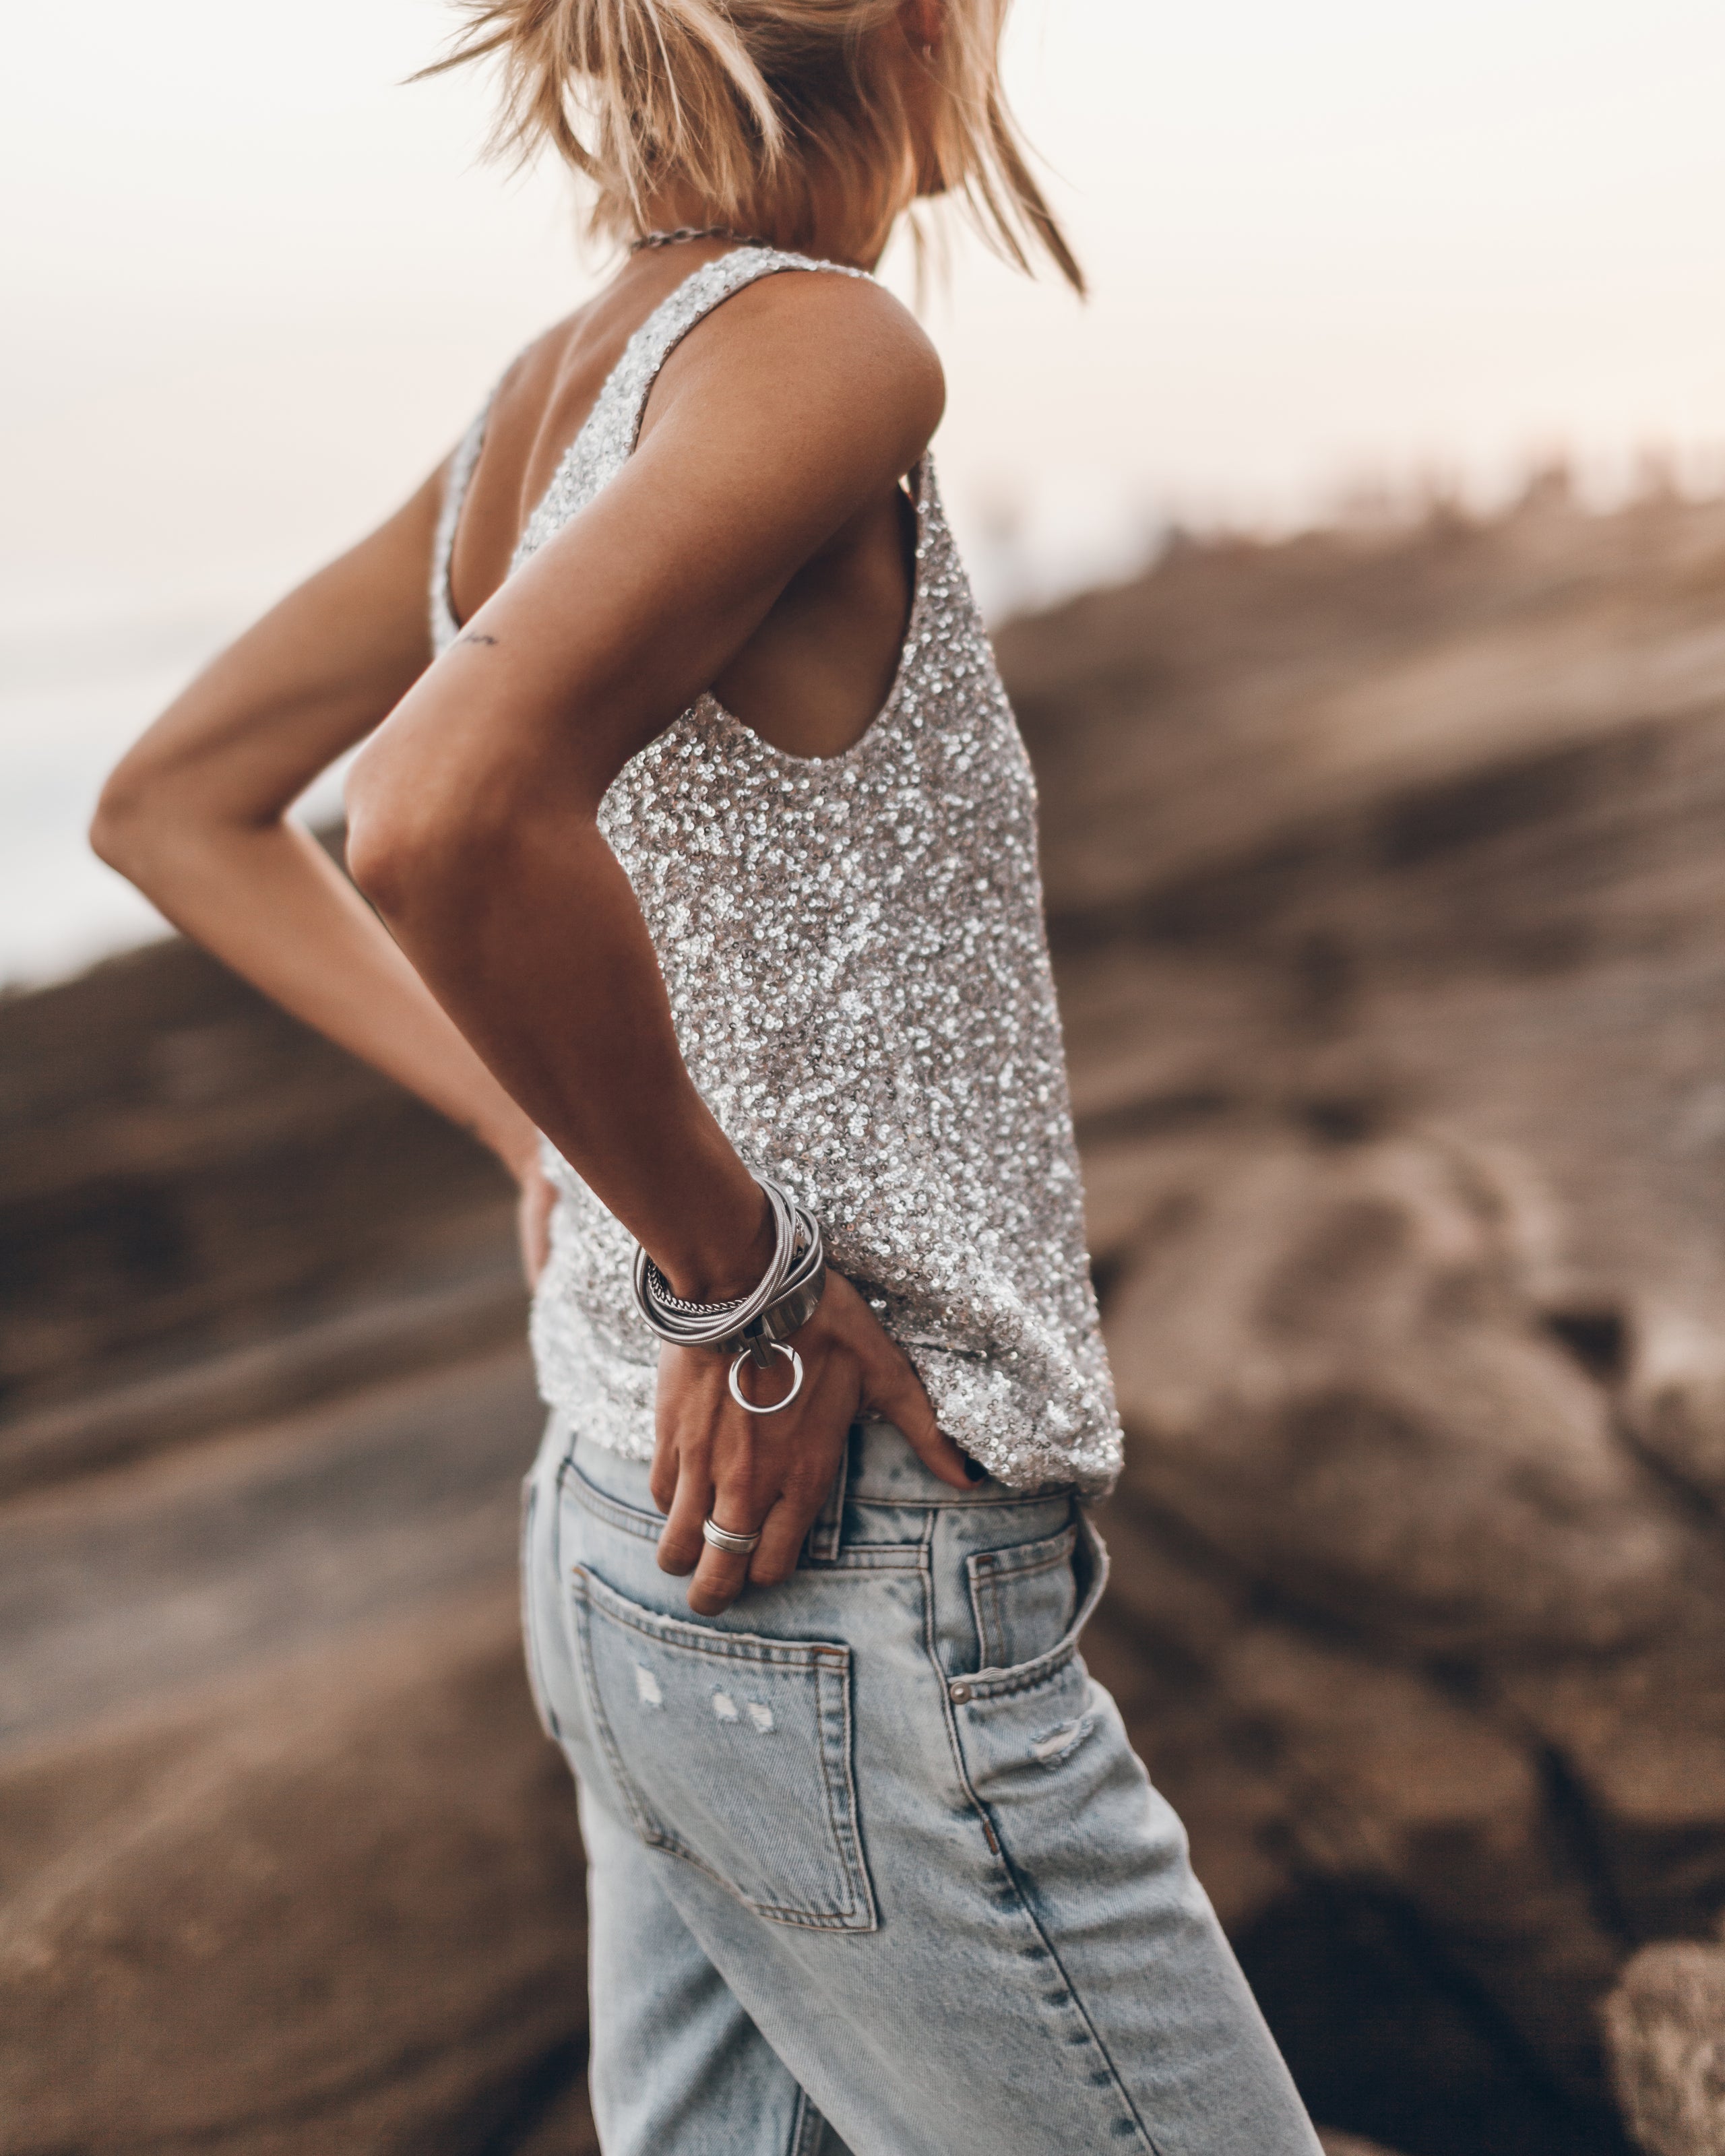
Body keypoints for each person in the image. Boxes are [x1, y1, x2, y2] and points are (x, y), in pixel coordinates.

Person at [92, 1, 1323, 2149]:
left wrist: (542, 1133)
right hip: (847, 1575)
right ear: (917, 27)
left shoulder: (531, 410)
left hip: (622, 1539)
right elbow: (440, 808)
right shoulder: (826, 345)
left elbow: (180, 803)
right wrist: (730, 1271)